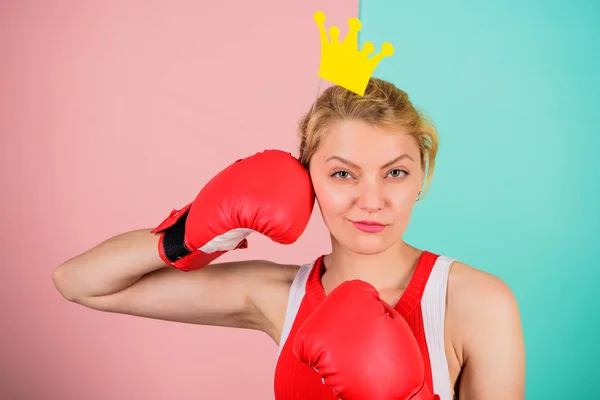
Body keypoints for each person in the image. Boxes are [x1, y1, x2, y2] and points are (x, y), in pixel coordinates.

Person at [52, 77, 526, 399]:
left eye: (395, 173)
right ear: (307, 178)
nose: (371, 200)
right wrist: (189, 232)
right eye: (343, 173)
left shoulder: (474, 303)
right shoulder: (278, 296)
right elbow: (79, 282)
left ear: (421, 177)